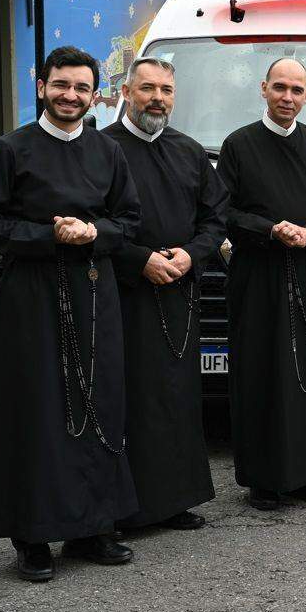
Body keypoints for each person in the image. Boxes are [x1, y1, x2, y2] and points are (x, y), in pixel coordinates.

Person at [0, 46, 142, 582]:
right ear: (41, 86)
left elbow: (128, 220)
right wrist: (50, 236)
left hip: (93, 292)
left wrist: (93, 232)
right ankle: (33, 535)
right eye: (61, 85)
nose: (71, 95)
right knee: (36, 409)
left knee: (97, 402)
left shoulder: (108, 151)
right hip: (31, 297)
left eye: (82, 87)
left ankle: (93, 526)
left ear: (95, 95)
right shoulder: (10, 149)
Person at [217, 58, 306, 510]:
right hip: (257, 273)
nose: (288, 98)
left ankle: (305, 473)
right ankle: (263, 478)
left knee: (305, 371)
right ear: (264, 89)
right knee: (261, 371)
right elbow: (222, 211)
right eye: (280, 88)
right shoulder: (238, 144)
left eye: (297, 90)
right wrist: (270, 229)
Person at [102, 58, 228, 533]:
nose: (157, 99)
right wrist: (140, 260)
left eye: (166, 90)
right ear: (126, 93)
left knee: (176, 395)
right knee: (130, 398)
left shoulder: (189, 151)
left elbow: (216, 217)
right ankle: (124, 509)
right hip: (123, 294)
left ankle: (174, 500)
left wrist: (191, 255)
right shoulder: (103, 149)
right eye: (147, 89)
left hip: (179, 291)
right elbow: (92, 222)